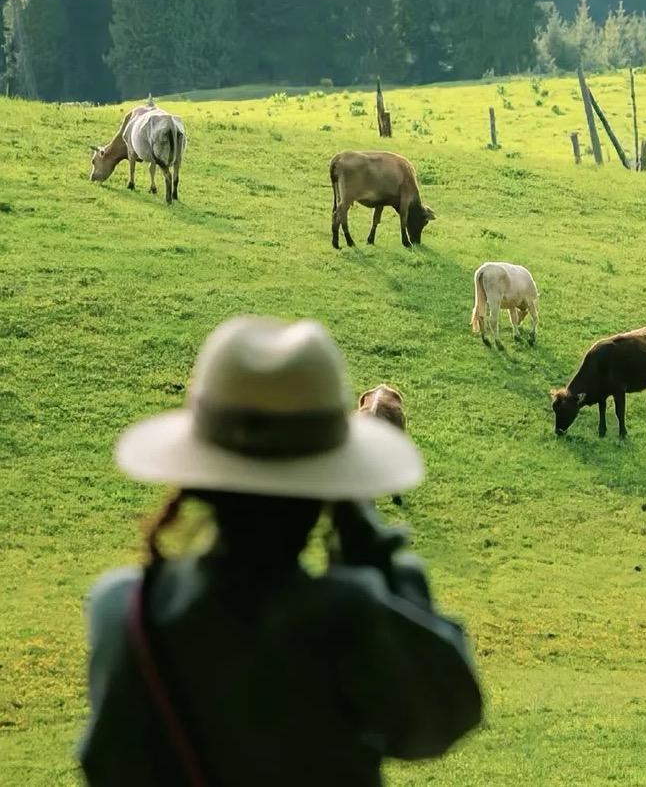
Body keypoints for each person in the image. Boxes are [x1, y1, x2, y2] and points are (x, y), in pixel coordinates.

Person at [79, 316, 482, 786]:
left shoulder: (122, 612)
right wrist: (374, 550)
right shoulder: (349, 616)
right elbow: (447, 714)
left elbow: (105, 764)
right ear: (329, 487)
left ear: (197, 475)